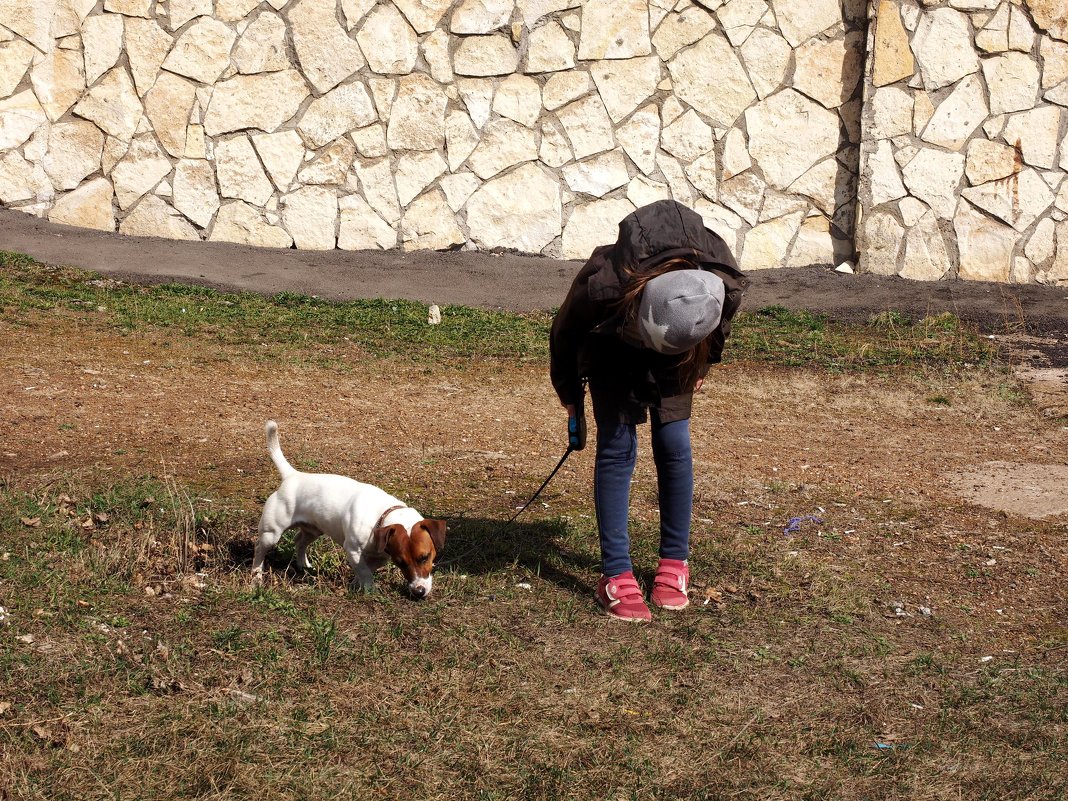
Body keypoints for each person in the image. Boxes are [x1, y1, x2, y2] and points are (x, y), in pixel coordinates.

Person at [550, 200, 748, 622]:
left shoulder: (718, 276)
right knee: (618, 447)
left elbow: (721, 317)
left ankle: (675, 562)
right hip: (612, 348)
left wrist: (706, 356)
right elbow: (565, 332)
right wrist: (570, 394)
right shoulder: (602, 283)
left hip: (683, 348)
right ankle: (616, 573)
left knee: (674, 443)